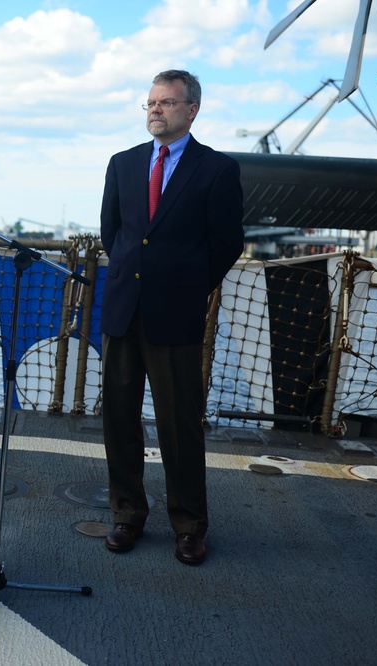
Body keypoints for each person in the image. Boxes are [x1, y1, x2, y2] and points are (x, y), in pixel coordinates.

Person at [99, 70, 244, 565]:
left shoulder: (217, 170)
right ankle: (127, 514)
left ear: (191, 110)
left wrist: (184, 287)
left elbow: (226, 243)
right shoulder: (122, 164)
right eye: (150, 103)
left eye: (165, 102)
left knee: (179, 423)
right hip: (124, 310)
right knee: (118, 417)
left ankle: (189, 525)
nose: (155, 110)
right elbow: (113, 233)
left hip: (175, 313)